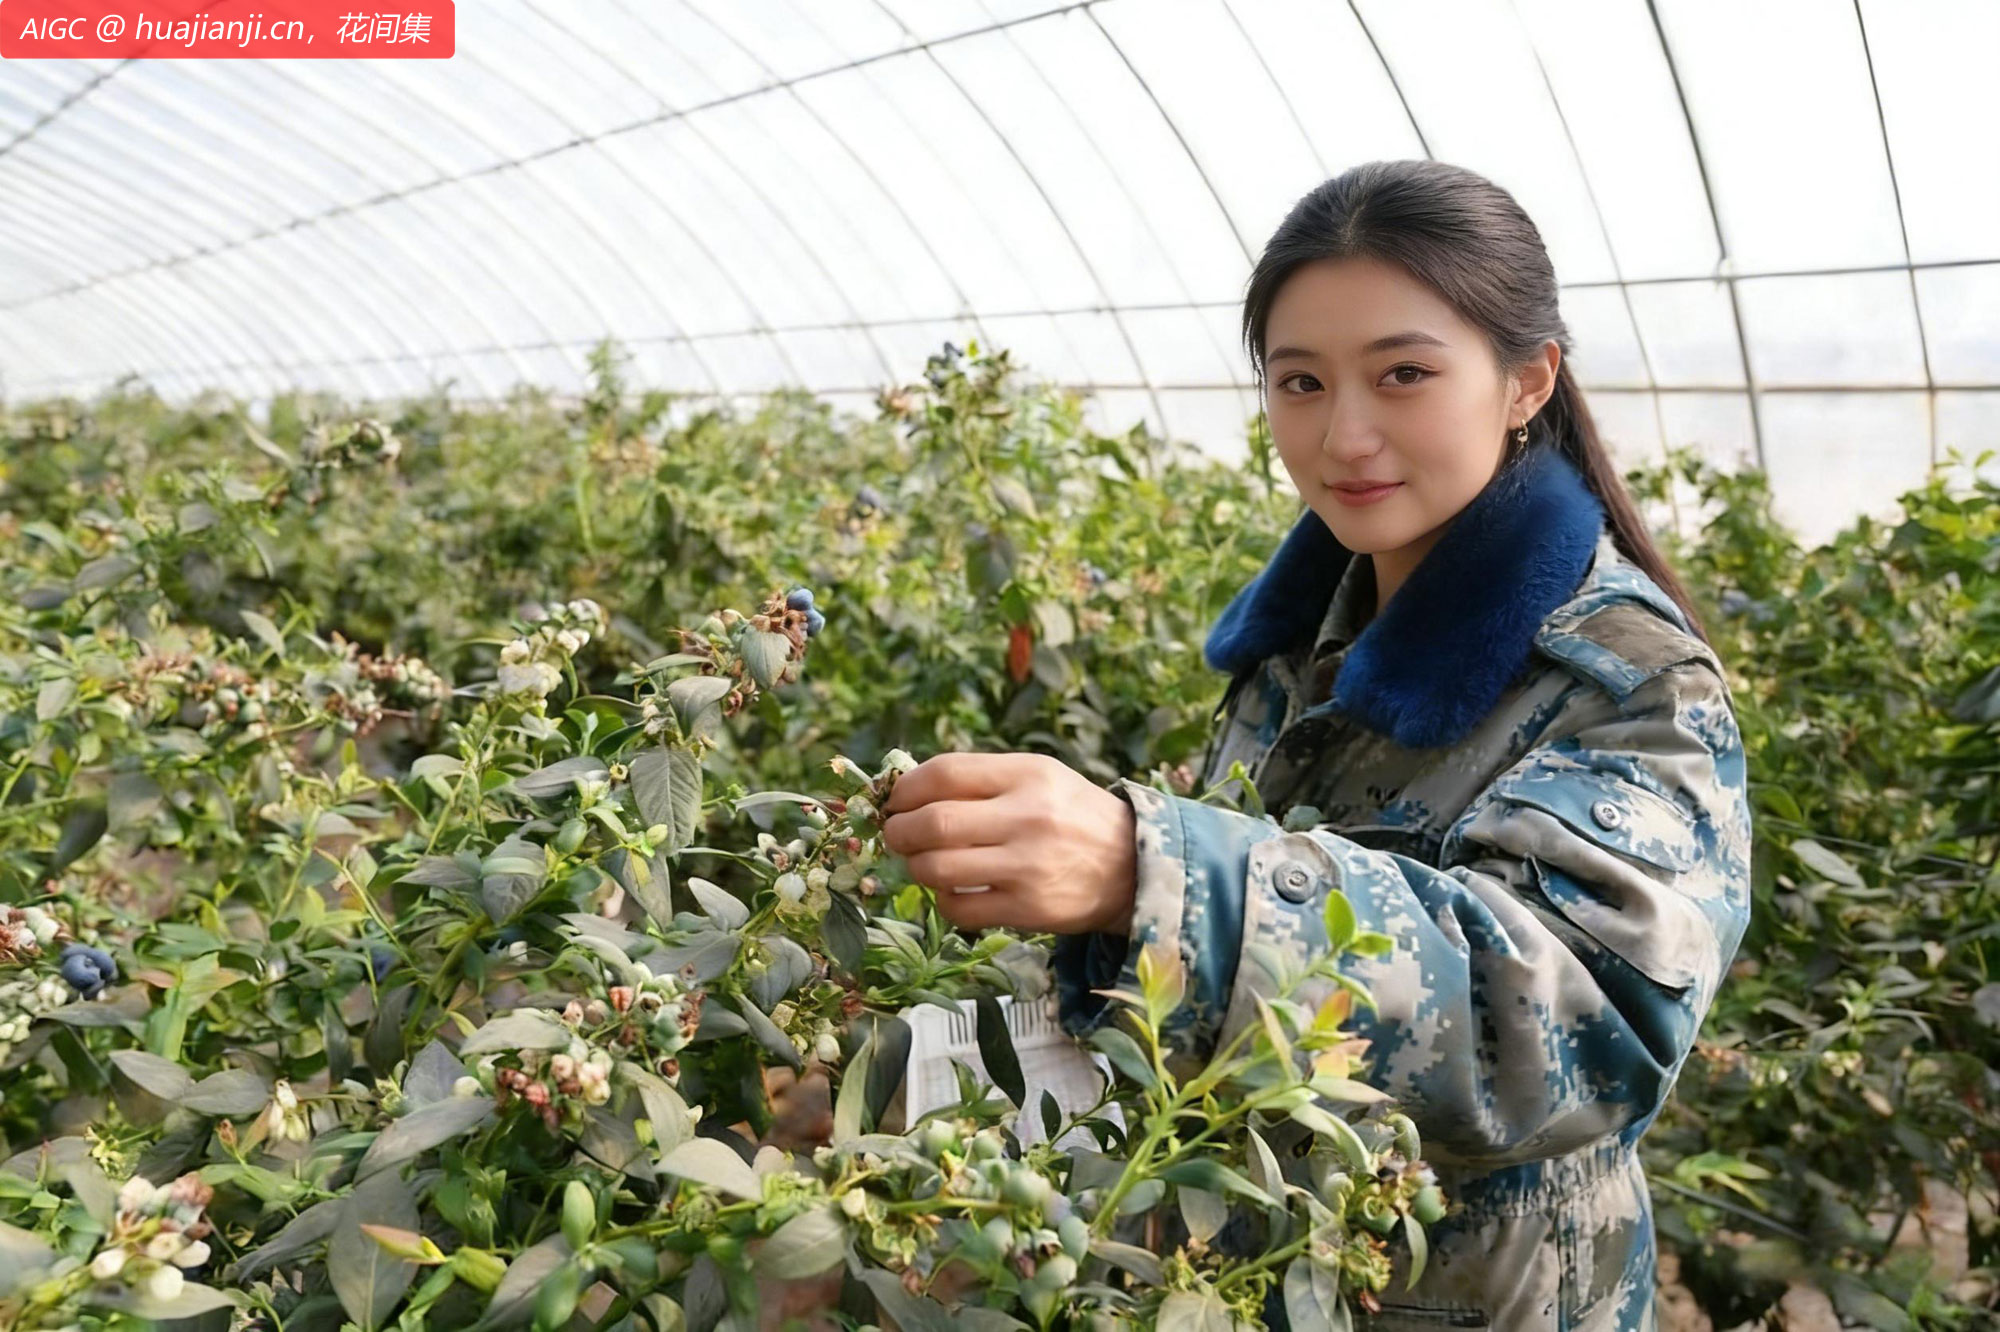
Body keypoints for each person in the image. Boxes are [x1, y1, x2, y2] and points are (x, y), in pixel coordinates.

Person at [878, 159, 1753, 1331]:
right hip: (1255, 1275)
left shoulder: (1627, 682)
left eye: (1403, 374)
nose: (1343, 435)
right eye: (1299, 381)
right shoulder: (1297, 647)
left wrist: (1156, 876)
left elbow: (1587, 1028)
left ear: (1525, 380)